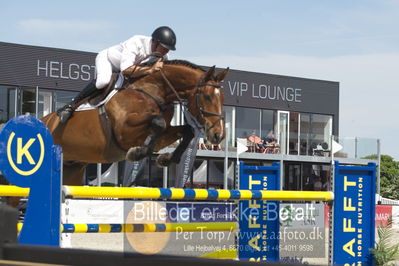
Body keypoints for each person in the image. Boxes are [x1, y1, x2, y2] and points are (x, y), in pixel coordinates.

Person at [57, 26, 177, 123]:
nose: (166, 51)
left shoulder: (163, 56)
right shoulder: (136, 42)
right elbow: (126, 69)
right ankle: (70, 106)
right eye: (164, 48)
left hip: (127, 71)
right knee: (103, 81)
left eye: (168, 49)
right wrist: (150, 70)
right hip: (109, 60)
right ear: (155, 43)